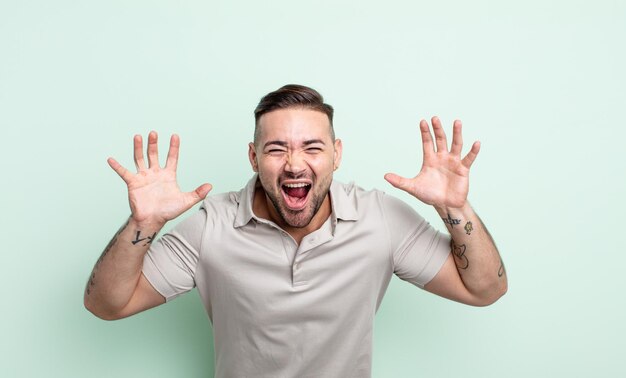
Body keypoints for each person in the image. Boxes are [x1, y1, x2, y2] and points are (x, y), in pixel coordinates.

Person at [84, 84, 507, 377]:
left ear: (337, 154)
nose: (294, 164)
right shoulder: (212, 225)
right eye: (276, 148)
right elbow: (107, 304)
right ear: (253, 157)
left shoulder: (379, 220)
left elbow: (485, 289)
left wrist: (454, 207)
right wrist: (144, 224)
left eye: (312, 147)